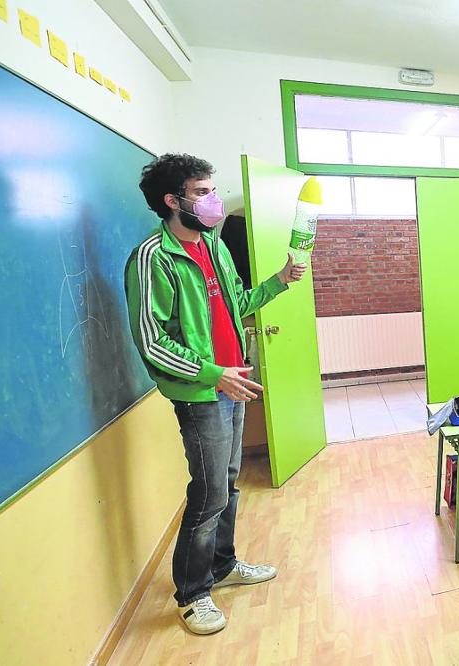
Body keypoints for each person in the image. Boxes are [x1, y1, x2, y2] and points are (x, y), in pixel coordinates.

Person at [125, 154, 306, 635]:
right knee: (206, 493)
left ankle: (222, 566)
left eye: (211, 189)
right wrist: (214, 374)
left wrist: (279, 282)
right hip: (202, 391)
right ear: (172, 200)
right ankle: (192, 593)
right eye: (201, 191)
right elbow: (151, 340)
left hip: (233, 382)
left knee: (227, 482)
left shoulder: (213, 246)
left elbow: (237, 304)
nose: (212, 199)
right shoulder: (154, 257)